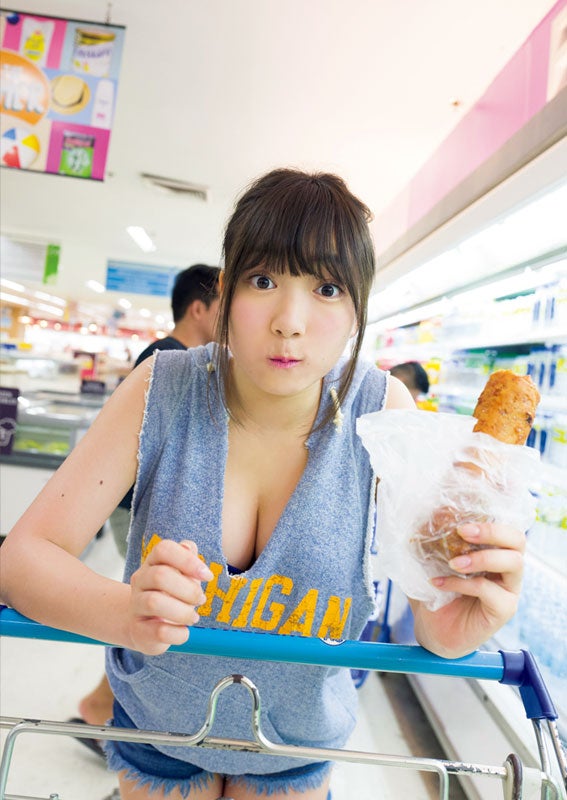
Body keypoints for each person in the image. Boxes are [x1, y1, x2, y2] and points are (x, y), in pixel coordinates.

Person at [1, 168, 526, 800]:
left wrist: (453, 625)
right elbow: (23, 558)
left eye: (327, 288)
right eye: (264, 280)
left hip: (298, 745)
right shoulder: (161, 389)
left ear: (358, 309)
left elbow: (431, 612)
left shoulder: (381, 413)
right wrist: (125, 613)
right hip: (156, 731)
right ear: (224, 292)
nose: (289, 321)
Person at [73, 263, 221, 753]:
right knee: (153, 608)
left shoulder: (177, 356)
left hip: (140, 503)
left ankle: (103, 705)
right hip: (135, 507)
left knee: (155, 608)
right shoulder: (168, 360)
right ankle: (107, 709)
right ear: (198, 309)